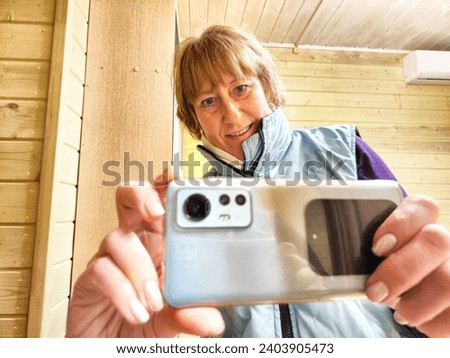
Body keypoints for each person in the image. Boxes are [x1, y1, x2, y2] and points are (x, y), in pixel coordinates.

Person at [66, 25, 450, 338]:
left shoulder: (342, 148)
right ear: (194, 118)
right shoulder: (191, 206)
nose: (232, 115)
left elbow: (414, 267)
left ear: (266, 85)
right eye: (208, 101)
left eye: (240, 88)